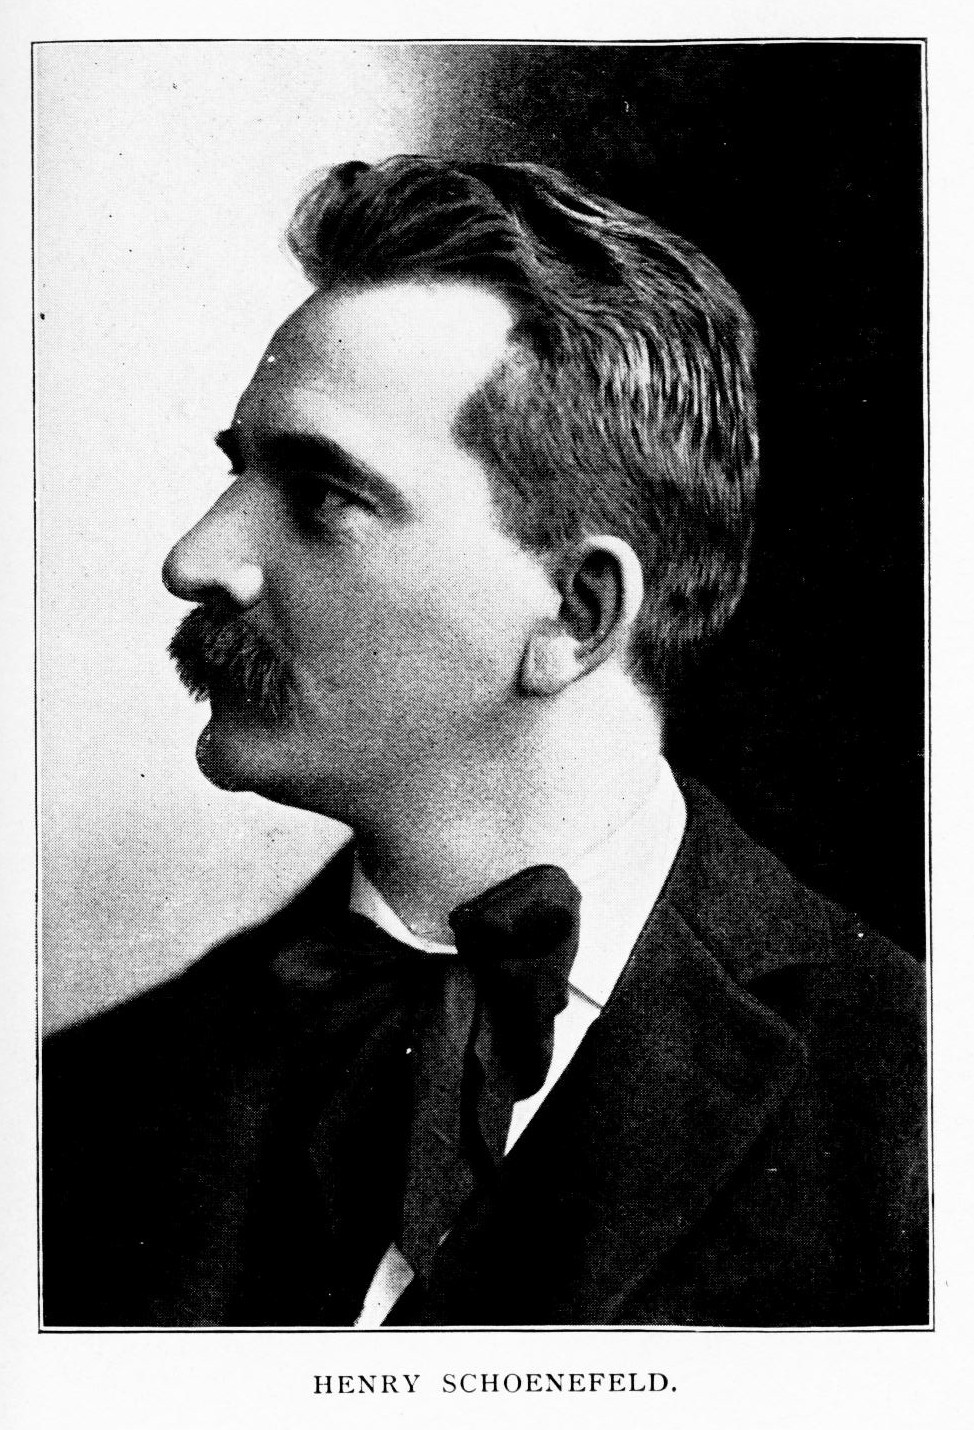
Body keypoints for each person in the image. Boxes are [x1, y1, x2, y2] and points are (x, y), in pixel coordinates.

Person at [42, 156, 928, 1329]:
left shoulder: (918, 1107)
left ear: (575, 614)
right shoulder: (80, 1108)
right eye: (236, 471)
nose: (195, 560)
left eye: (320, 495)